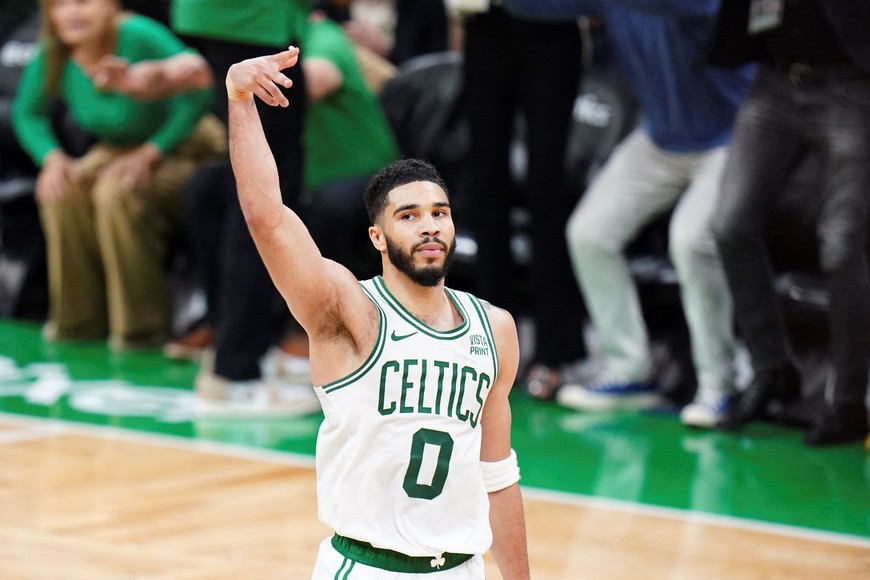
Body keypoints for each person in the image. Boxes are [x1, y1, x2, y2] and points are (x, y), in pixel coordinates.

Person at [226, 47, 529, 579]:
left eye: (440, 213)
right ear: (378, 238)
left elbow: (498, 475)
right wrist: (240, 100)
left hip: (461, 569)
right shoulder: (351, 312)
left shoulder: (495, 329)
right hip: (367, 568)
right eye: (409, 216)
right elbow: (268, 220)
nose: (430, 226)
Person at [505, 0, 754, 428]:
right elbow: (540, 8)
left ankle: (720, 384)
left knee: (692, 241)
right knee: (590, 233)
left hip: (730, 137)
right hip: (659, 140)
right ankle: (628, 369)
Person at [11, 0, 224, 350]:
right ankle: (77, 325)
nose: (73, 13)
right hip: (117, 147)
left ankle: (141, 333)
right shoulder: (55, 52)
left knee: (116, 192)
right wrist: (51, 157)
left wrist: (152, 150)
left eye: (83, 2)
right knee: (62, 189)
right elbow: (27, 113)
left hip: (188, 145)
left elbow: (199, 89)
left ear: (110, 5)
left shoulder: (138, 34)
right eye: (60, 4)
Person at [707, 0, 870, 446]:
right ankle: (772, 370)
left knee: (841, 245)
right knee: (730, 224)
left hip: (852, 85)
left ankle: (850, 402)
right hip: (776, 80)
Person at [168, 0, 310, 412]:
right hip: (250, 21)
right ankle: (234, 370)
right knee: (263, 200)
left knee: (238, 187)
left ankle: (240, 349)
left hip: (236, 19)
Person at [461, 3, 587, 400]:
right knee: (485, 188)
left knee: (546, 190)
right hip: (485, 23)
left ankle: (555, 352)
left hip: (553, 24)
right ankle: (490, 344)